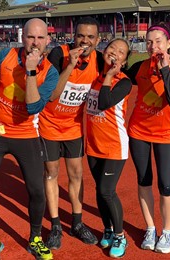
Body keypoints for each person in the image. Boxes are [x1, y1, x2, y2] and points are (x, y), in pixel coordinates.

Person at [0, 18, 59, 260]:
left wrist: (31, 71)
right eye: (31, 37)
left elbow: (33, 107)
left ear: (48, 40)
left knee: (36, 190)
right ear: (23, 37)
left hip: (26, 134)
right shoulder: (4, 57)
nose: (35, 42)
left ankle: (35, 238)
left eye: (40, 38)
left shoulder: (50, 73)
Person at [124, 23, 170, 254]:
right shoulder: (140, 67)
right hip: (138, 132)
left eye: (158, 41)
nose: (153, 46)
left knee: (166, 185)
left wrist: (163, 69)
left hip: (164, 134)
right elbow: (121, 74)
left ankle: (167, 231)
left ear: (168, 43)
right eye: (149, 42)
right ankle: (150, 228)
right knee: (143, 180)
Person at [38, 16, 103, 249]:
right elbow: (53, 94)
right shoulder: (59, 54)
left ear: (98, 40)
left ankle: (77, 222)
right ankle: (56, 225)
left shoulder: (100, 60)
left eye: (90, 37)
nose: (84, 41)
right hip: (49, 123)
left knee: (76, 174)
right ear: (74, 36)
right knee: (51, 173)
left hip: (74, 126)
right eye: (80, 36)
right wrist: (70, 66)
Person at [86, 38, 132, 258]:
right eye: (112, 48)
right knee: (99, 191)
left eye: (121, 52)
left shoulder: (122, 82)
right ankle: (107, 228)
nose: (115, 52)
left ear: (123, 61)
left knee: (107, 191)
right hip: (94, 145)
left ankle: (120, 235)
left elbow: (104, 102)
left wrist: (109, 76)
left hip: (114, 145)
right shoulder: (93, 76)